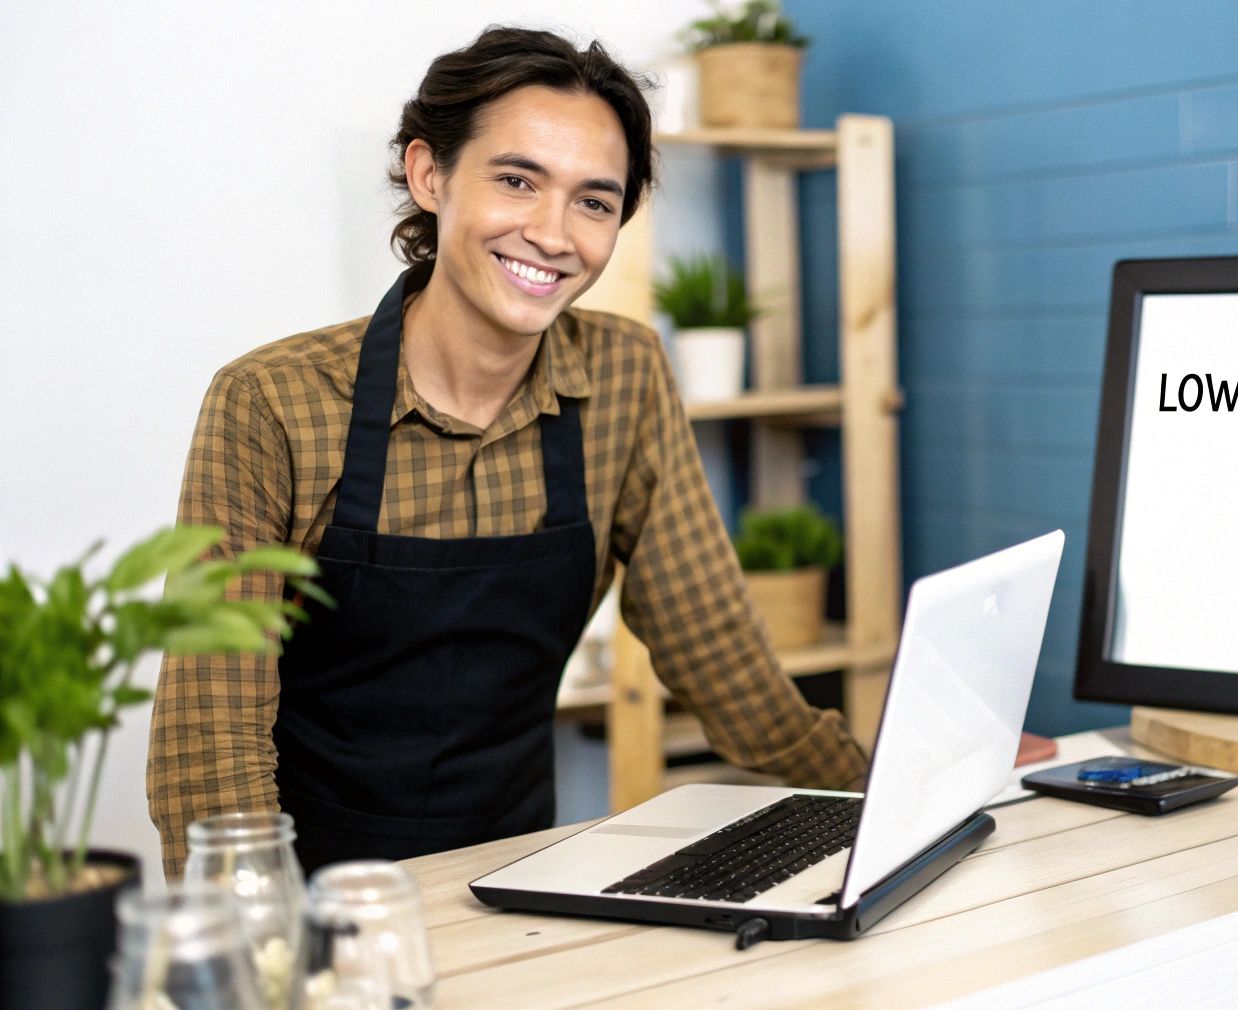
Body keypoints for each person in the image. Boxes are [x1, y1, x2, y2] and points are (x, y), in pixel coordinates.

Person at [146, 26, 869, 878]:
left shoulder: (624, 376)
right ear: (429, 174)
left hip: (519, 880)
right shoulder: (273, 401)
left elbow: (724, 664)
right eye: (518, 180)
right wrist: (261, 955)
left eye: (594, 202)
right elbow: (210, 739)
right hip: (321, 898)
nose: (553, 233)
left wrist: (902, 795)